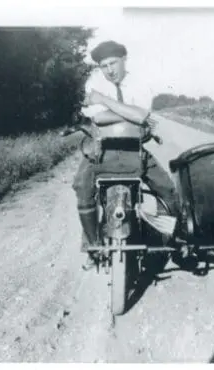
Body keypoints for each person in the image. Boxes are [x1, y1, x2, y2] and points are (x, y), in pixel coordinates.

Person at [72, 40, 180, 266]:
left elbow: (142, 115)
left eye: (113, 63)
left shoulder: (139, 83)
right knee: (82, 186)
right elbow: (99, 118)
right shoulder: (94, 81)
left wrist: (103, 100)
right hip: (101, 149)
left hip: (135, 149)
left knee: (168, 191)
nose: (109, 70)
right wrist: (129, 113)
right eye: (104, 66)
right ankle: (93, 246)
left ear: (124, 60)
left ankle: (163, 241)